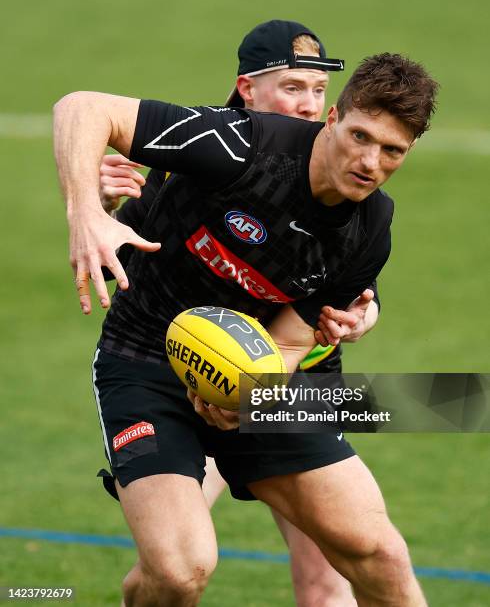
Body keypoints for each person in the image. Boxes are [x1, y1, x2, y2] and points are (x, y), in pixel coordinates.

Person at [54, 51, 438, 606]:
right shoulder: (241, 147)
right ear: (332, 119)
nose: (370, 161)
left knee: (379, 554)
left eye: (392, 151)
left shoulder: (371, 227)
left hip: (253, 375)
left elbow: (288, 339)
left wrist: (245, 394)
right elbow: (82, 107)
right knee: (181, 570)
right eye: (360, 136)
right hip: (144, 361)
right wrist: (85, 211)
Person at [98, 20, 376, 606]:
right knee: (175, 566)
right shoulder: (211, 151)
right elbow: (121, 269)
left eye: (319, 91)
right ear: (247, 89)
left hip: (297, 378)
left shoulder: (340, 166)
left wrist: (359, 317)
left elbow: (345, 277)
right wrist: (104, 205)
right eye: (292, 88)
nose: (309, 106)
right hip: (198, 369)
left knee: (331, 577)